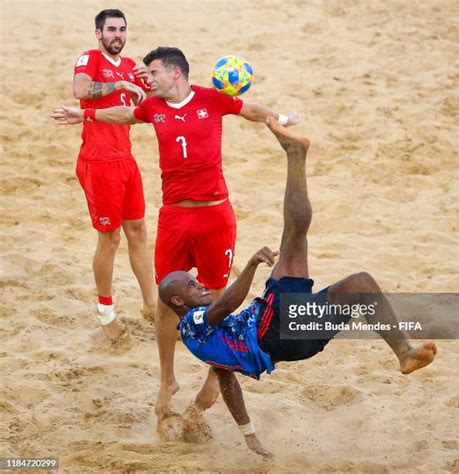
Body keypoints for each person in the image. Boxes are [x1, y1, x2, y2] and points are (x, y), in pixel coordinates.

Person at [157, 117, 438, 457]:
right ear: (177, 300)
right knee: (294, 235)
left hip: (289, 333)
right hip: (274, 329)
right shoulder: (193, 325)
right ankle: (295, 153)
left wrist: (249, 435)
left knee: (355, 279)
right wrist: (249, 266)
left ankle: (404, 353)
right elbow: (225, 306)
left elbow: (228, 381)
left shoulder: (207, 339)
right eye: (191, 285)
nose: (199, 283)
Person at [52, 46, 302, 416]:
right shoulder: (153, 107)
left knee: (219, 299)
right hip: (173, 218)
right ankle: (167, 377)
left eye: (153, 73)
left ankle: (216, 376)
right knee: (168, 300)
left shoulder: (211, 98)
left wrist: (280, 117)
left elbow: (250, 109)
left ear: (175, 74)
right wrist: (85, 115)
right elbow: (125, 114)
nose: (147, 79)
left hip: (215, 217)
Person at [72, 9, 156, 342]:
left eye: (122, 29)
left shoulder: (132, 65)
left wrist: (146, 82)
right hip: (99, 161)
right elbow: (80, 88)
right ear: (98, 33)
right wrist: (119, 82)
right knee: (110, 238)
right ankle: (106, 311)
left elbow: (145, 110)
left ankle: (150, 303)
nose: (117, 35)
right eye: (111, 30)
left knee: (138, 230)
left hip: (125, 159)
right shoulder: (89, 57)